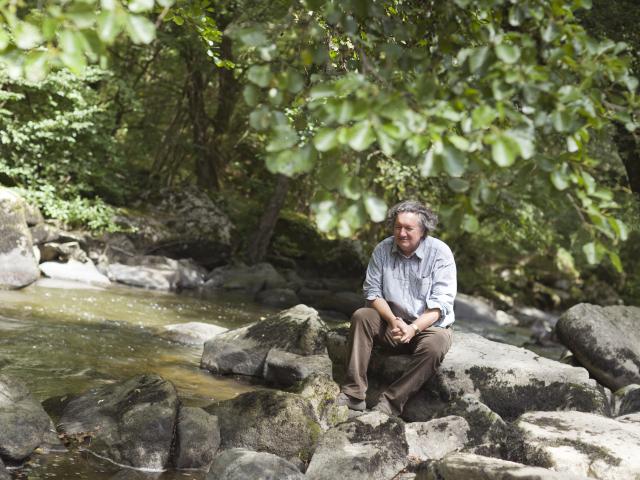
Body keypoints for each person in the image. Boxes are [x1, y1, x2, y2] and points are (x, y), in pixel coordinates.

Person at [336, 199, 456, 416]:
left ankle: (390, 404)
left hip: (427, 327)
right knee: (362, 315)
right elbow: (372, 293)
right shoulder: (382, 249)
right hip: (391, 323)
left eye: (409, 228)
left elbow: (441, 305)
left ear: (423, 231)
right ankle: (354, 394)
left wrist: (413, 329)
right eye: (398, 227)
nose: (401, 233)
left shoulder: (440, 253)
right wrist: (392, 320)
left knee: (436, 344)